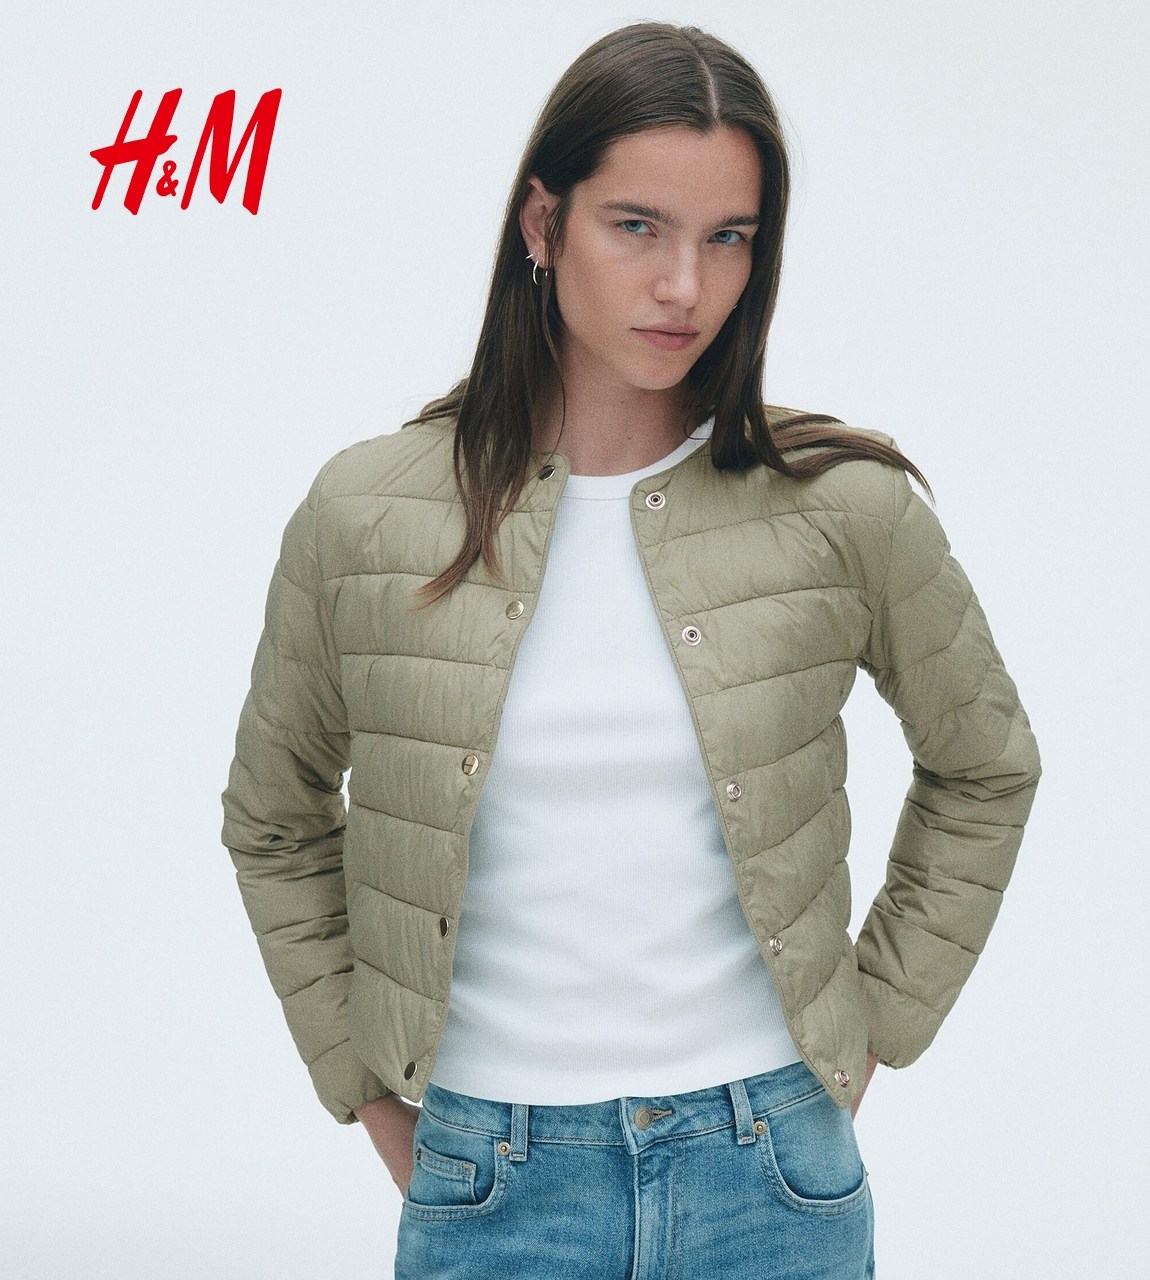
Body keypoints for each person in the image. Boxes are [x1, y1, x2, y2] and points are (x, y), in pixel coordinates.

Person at [221, 21, 1040, 1279]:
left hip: (770, 1177)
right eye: (637, 226)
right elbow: (274, 816)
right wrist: (370, 1090)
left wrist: (865, 1029)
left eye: (729, 237)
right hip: (489, 1178)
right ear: (542, 224)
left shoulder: (843, 508)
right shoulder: (366, 513)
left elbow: (984, 766)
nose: (684, 286)